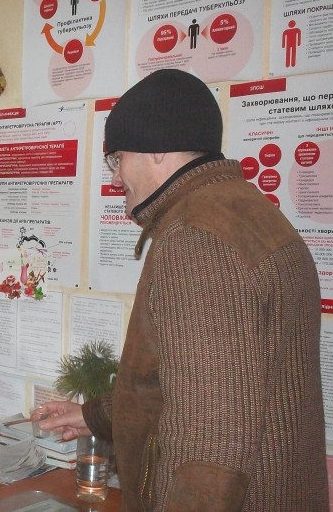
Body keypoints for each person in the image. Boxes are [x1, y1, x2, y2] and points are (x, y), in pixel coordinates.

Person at [35, 69, 328, 511]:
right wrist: (95, 416)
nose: (115, 178)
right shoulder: (250, 215)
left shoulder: (197, 239)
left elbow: (211, 443)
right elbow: (195, 385)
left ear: (156, 151)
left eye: (117, 159)